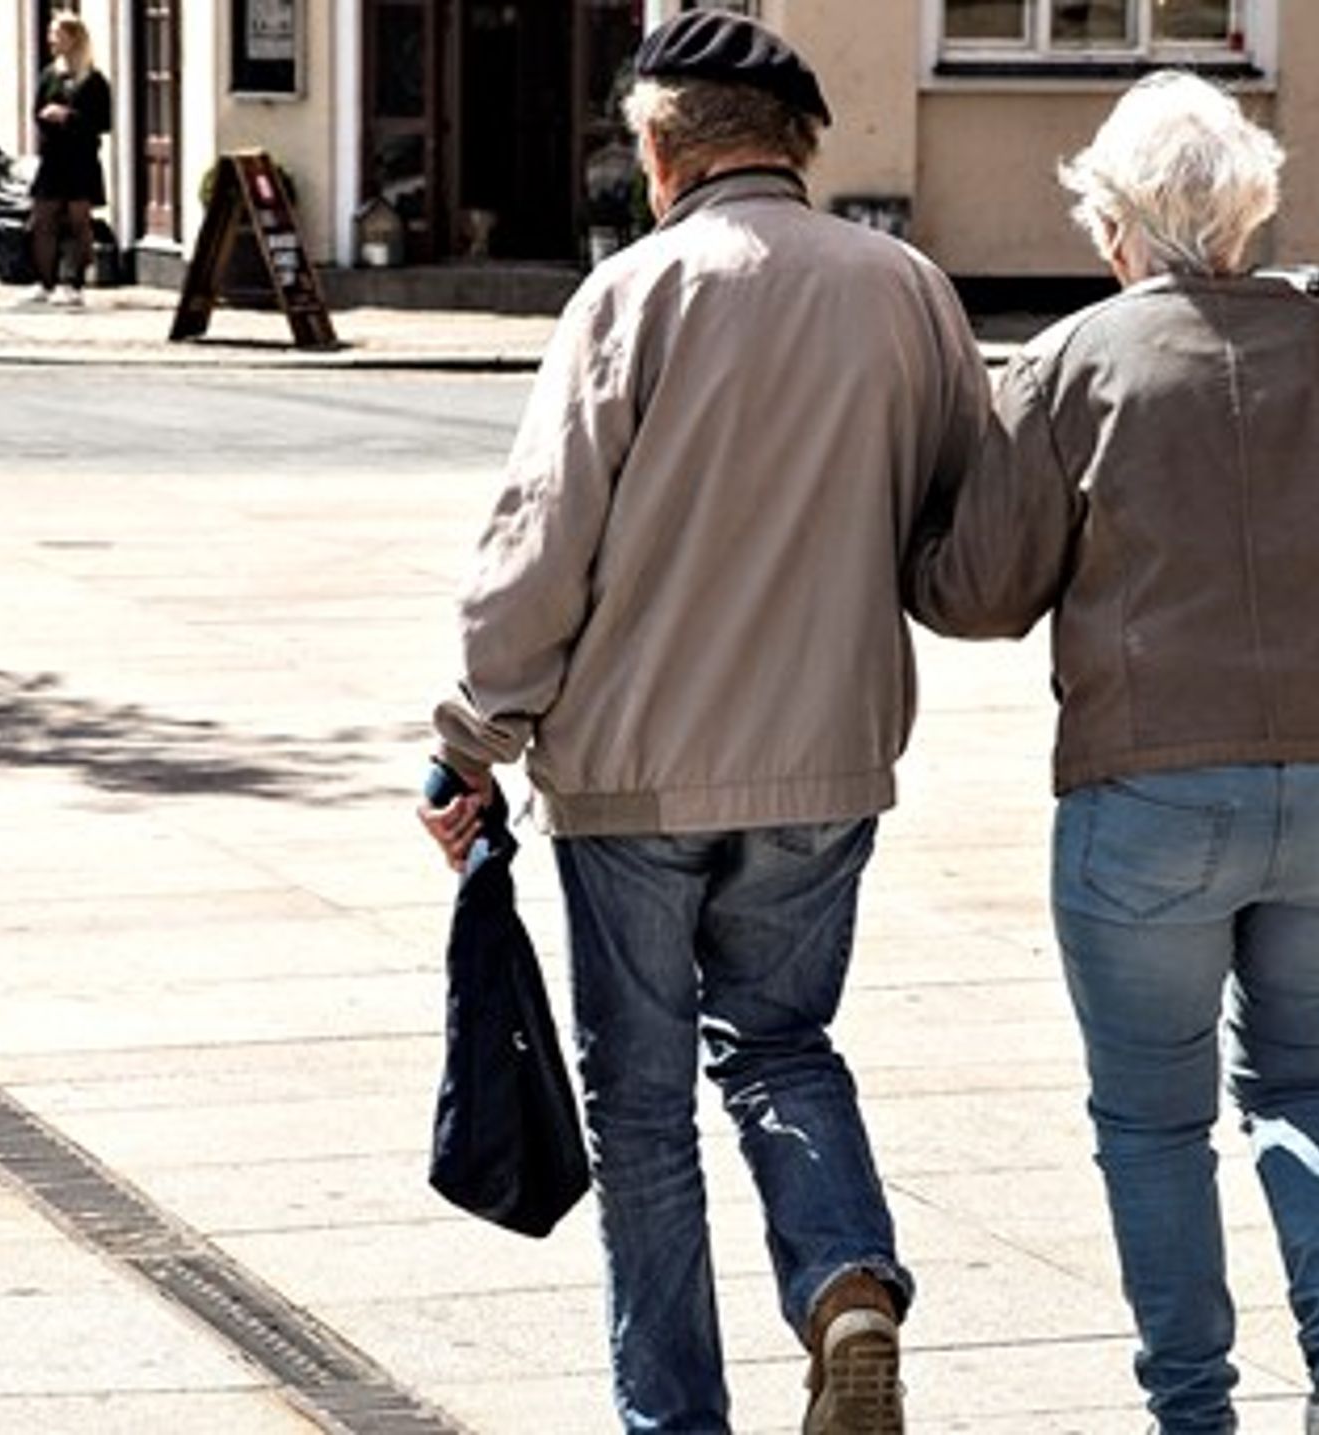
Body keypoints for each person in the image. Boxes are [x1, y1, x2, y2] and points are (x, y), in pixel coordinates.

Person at [414, 12, 986, 1433]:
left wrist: (472, 735)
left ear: (661, 151)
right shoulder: (910, 289)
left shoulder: (632, 294)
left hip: (633, 774)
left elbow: (540, 546)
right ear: (796, 145)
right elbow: (964, 535)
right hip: (827, 758)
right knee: (785, 1042)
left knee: (646, 1112)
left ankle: (676, 1418)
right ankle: (848, 1279)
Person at [907, 71, 1319, 1435]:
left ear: (1117, 223)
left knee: (1153, 1118)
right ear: (1245, 216)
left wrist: (919, 517)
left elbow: (982, 594)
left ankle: (1194, 1408)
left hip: (1148, 787)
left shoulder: (1070, 365)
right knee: (1305, 1078)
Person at [23, 12, 110, 308]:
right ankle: (44, 281)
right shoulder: (49, 74)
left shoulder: (94, 79)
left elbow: (103, 120)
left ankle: (75, 282)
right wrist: (47, 120)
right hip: (53, 156)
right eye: (50, 33)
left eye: (56, 34)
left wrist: (69, 117)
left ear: (74, 38)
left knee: (78, 220)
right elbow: (36, 110)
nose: (51, 40)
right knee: (43, 217)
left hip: (82, 157)